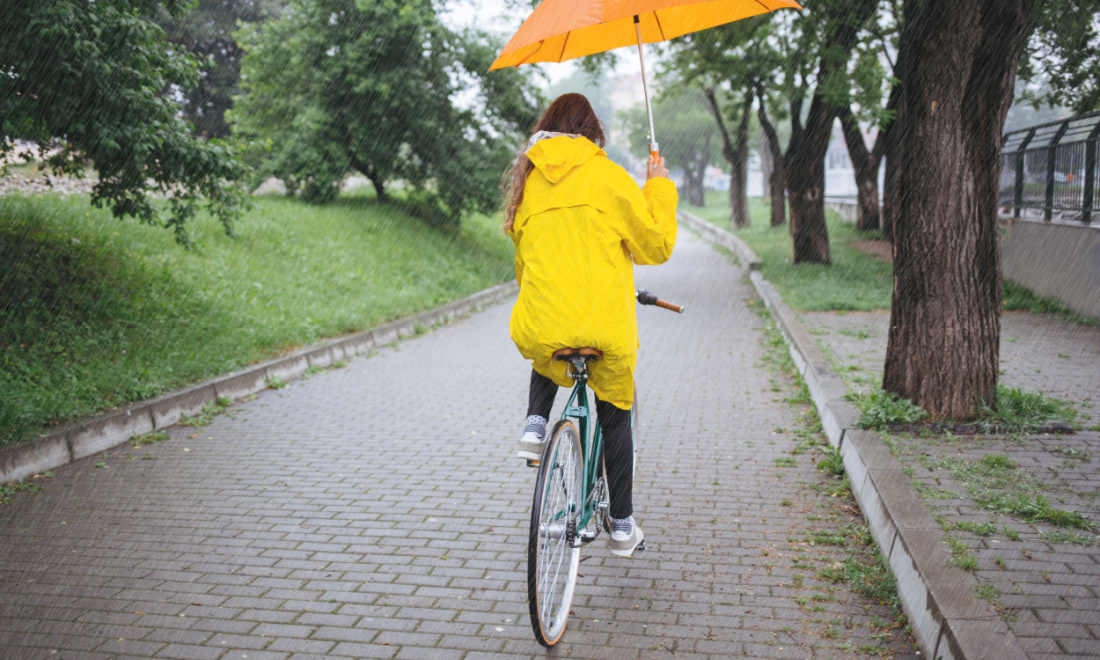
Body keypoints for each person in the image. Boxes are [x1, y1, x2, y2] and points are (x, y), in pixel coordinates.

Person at [503, 93, 678, 558]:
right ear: (591, 133)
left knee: (548, 336)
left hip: (543, 321)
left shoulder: (530, 186)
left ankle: (536, 425)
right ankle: (621, 526)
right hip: (603, 327)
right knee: (615, 413)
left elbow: (525, 266)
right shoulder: (606, 176)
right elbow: (655, 245)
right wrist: (656, 186)